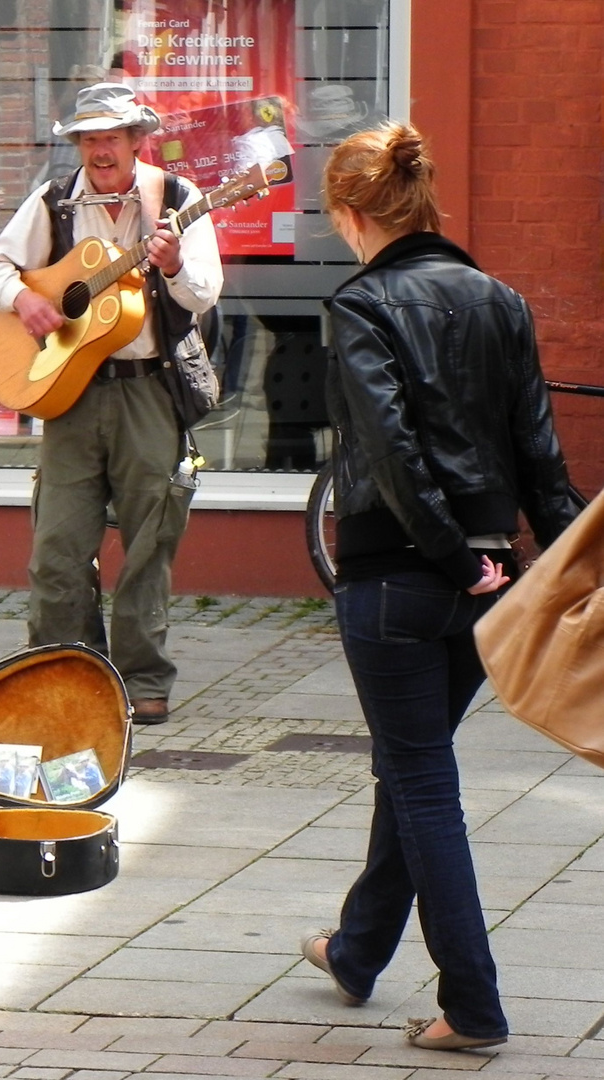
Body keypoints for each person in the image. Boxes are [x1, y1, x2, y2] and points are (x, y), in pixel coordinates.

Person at [299, 122, 577, 1052]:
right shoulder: (499, 298)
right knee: (407, 766)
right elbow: (540, 450)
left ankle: (474, 1007)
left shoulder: (358, 307)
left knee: (420, 781)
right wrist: (566, 558)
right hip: (489, 578)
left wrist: (454, 559)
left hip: (402, 578)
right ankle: (358, 950)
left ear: (349, 212)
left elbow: (390, 449)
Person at [0, 82, 223, 723]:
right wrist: (24, 300)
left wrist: (168, 269)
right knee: (57, 544)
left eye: (110, 137)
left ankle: (142, 680)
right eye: (88, 138)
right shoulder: (55, 200)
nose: (99, 150)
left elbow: (202, 295)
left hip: (148, 389)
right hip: (72, 391)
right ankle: (59, 668)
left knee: (148, 543)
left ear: (138, 139)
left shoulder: (178, 200)